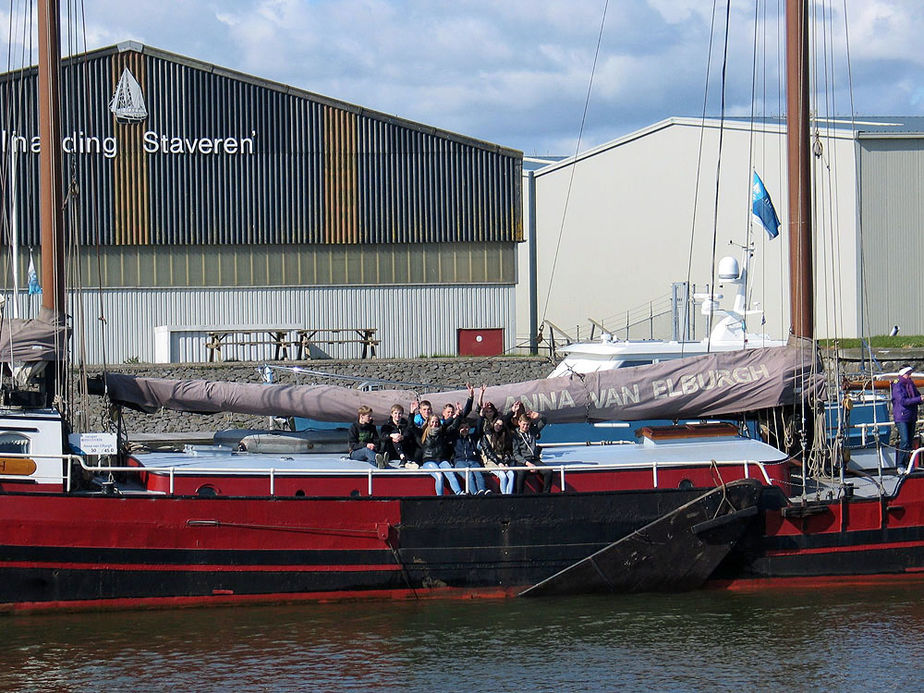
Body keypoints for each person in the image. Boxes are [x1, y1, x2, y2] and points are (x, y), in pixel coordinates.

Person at [415, 414, 463, 495]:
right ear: (429, 422)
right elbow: (411, 426)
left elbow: (453, 426)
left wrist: (456, 416)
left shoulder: (442, 432)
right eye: (432, 422)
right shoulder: (423, 432)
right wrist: (412, 413)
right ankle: (440, 497)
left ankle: (459, 493)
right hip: (429, 460)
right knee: (439, 477)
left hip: (441, 460)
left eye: (436, 422)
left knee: (451, 474)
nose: (434, 424)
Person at [511, 409, 553, 493]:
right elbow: (516, 454)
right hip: (522, 461)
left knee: (548, 471)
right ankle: (519, 496)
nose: (525, 427)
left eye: (527, 425)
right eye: (523, 424)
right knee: (521, 473)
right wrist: (527, 463)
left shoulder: (533, 431)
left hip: (534, 459)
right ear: (519, 423)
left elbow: (544, 420)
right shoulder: (515, 435)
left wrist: (538, 416)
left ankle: (546, 495)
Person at [891, 366, 922, 471]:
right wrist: (919, 399)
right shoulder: (897, 385)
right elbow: (903, 401)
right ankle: (900, 465)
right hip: (902, 417)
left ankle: (908, 464)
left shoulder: (911, 385)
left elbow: (917, 397)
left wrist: (921, 398)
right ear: (903, 374)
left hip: (911, 416)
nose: (910, 376)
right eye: (908, 374)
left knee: (909, 441)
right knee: (904, 441)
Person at [479, 416, 515, 494]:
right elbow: (488, 452)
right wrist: (499, 463)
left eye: (500, 425)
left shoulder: (504, 436)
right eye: (497, 424)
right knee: (503, 476)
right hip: (491, 461)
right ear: (493, 424)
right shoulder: (487, 435)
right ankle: (504, 495)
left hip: (502, 461)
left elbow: (507, 452)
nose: (498, 427)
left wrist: (505, 463)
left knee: (511, 474)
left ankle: (509, 495)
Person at [452, 418, 488, 494]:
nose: (464, 429)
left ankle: (482, 491)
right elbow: (451, 428)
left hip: (473, 461)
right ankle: (474, 493)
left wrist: (481, 416)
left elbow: (478, 428)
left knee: (478, 474)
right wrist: (458, 416)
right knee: (469, 475)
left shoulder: (472, 438)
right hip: (460, 461)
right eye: (462, 427)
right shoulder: (455, 438)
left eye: (466, 427)